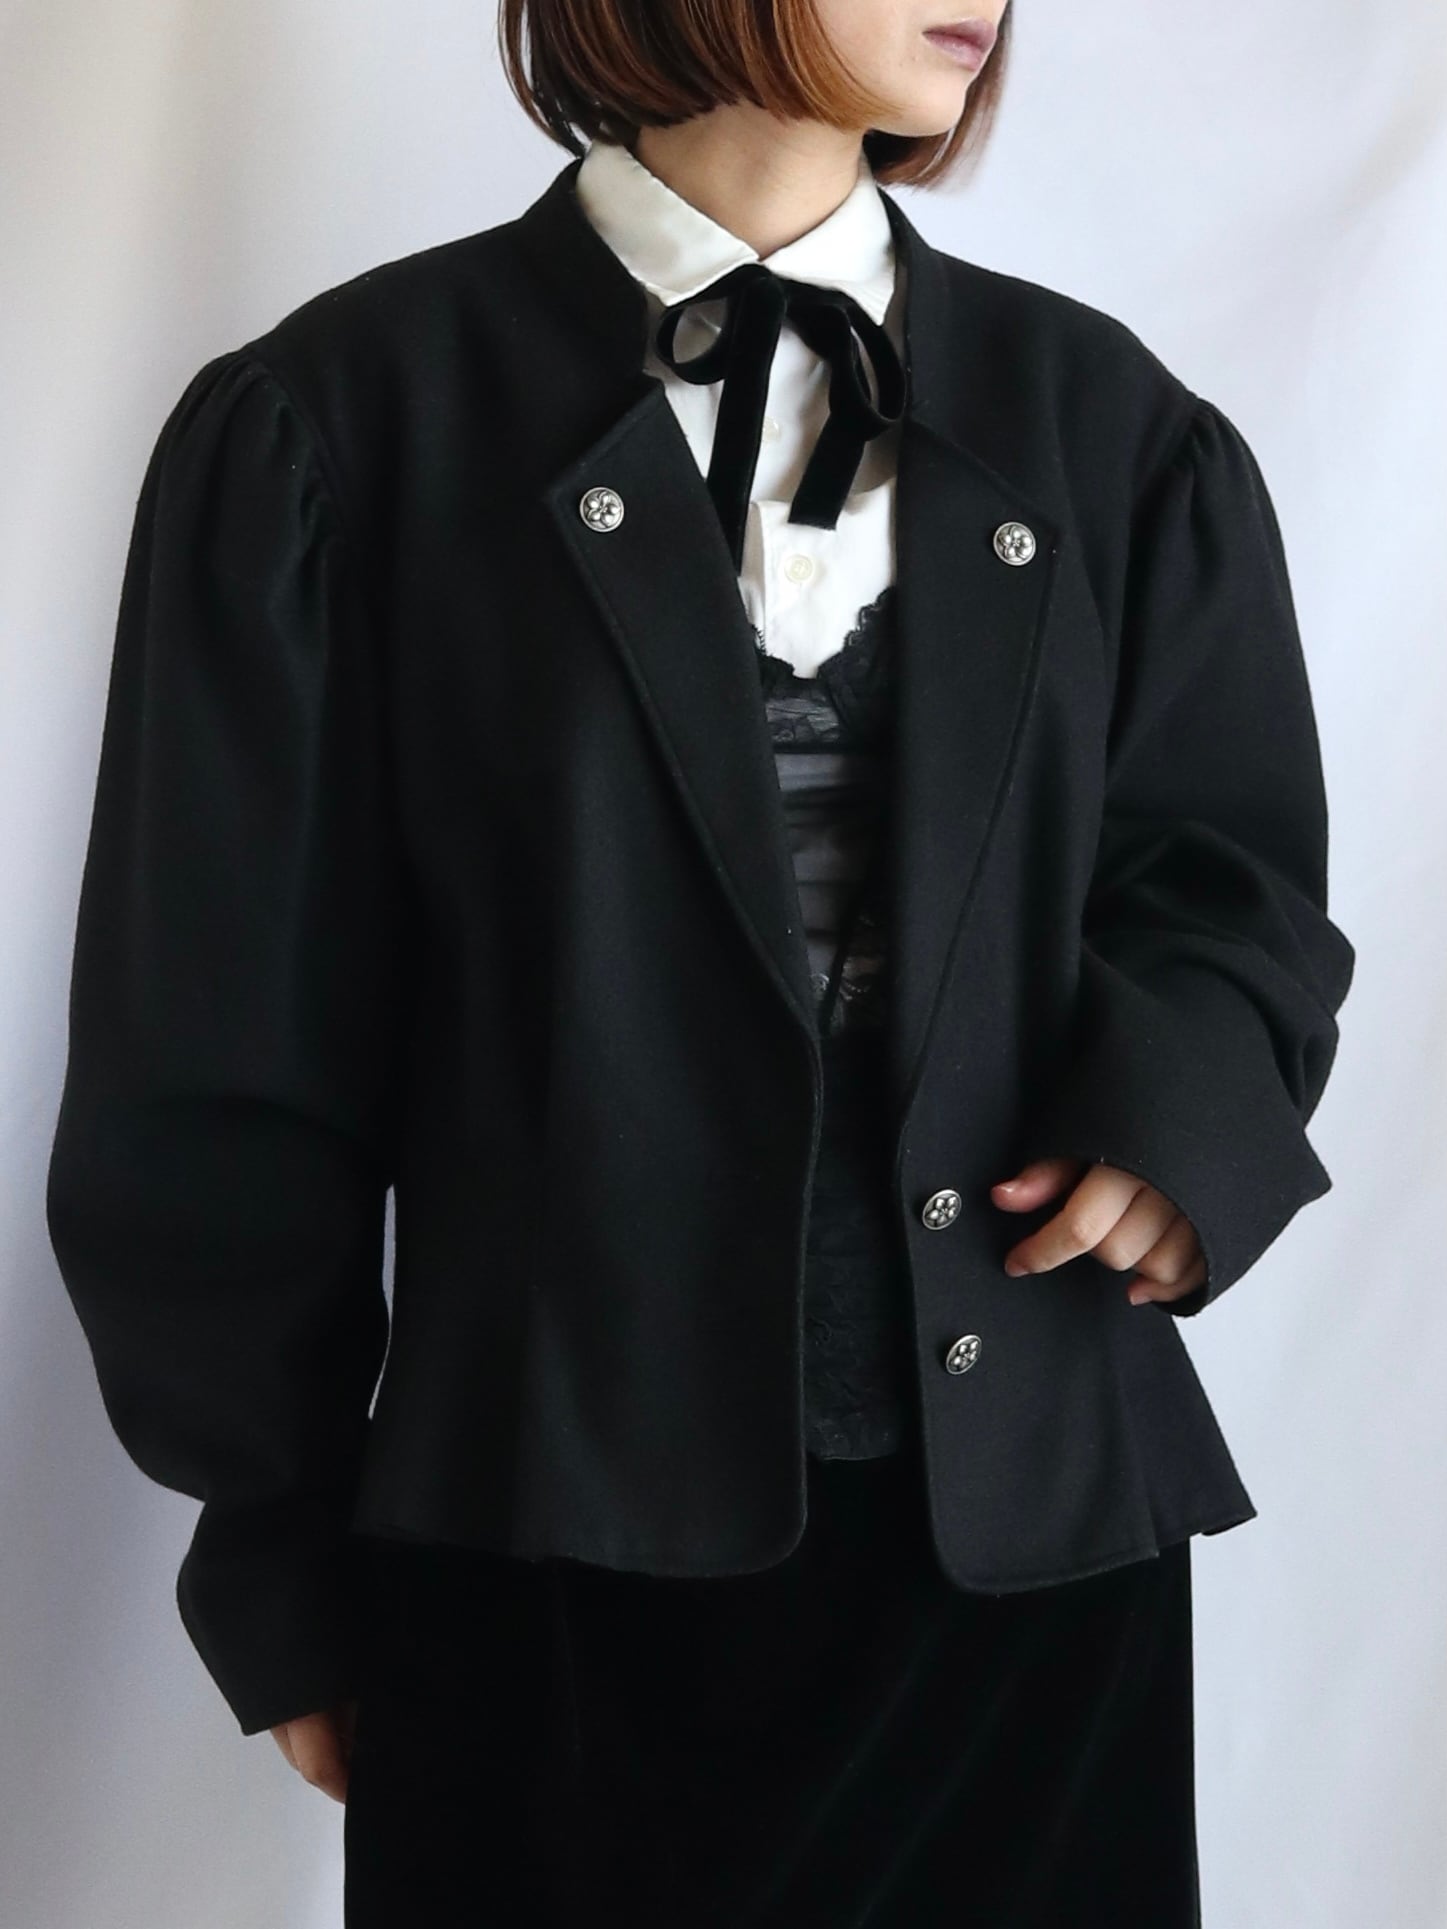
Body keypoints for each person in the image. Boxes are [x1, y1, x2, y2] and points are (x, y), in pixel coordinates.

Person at [46, 0, 1356, 1921]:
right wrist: (279, 1543)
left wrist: (1176, 1120)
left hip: (1027, 1576)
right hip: (549, 1584)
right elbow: (215, 1046)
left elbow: (1229, 881)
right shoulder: (341, 426)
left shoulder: (1111, 431)